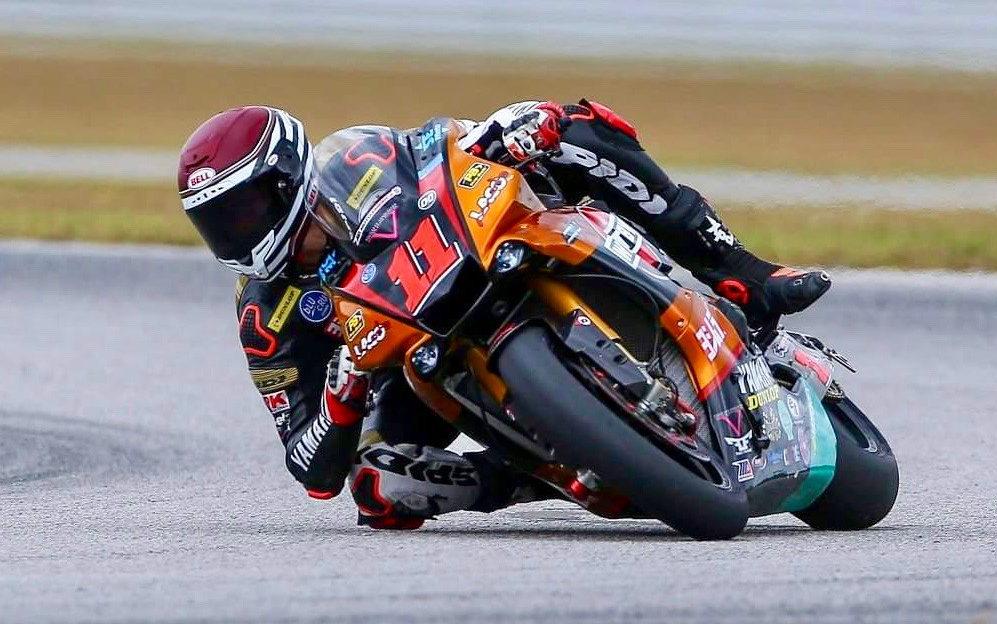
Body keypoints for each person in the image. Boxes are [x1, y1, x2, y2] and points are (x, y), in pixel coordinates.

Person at [176, 101, 831, 529]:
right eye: (216, 225)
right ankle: (524, 479)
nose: (234, 235)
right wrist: (345, 390)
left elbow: (441, 145)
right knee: (379, 489)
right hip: (413, 369)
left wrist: (512, 126)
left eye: (242, 210)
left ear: (288, 178)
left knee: (572, 129)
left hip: (488, 249)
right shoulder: (266, 314)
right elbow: (308, 463)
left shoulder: (357, 162)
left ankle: (743, 275)